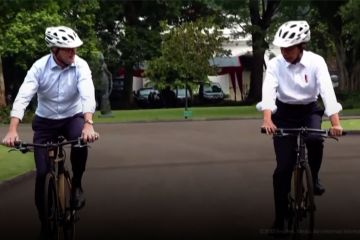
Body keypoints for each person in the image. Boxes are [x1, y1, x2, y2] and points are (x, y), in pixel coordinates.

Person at [2, 26, 99, 228]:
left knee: (80, 143)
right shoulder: (39, 68)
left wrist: (88, 124)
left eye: (75, 48)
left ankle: (77, 186)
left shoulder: (81, 66)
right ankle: (45, 222)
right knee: (41, 173)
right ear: (54, 50)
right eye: (68, 49)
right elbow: (23, 97)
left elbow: (87, 93)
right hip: (45, 122)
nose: (73, 52)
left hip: (72, 116)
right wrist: (12, 130)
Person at [256, 20, 343, 233]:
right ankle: (279, 220)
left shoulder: (317, 62)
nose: (285, 52)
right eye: (282, 48)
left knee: (315, 140)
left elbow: (327, 92)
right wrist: (268, 119)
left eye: (289, 48)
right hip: (283, 113)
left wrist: (335, 123)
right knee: (283, 169)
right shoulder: (276, 64)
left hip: (308, 110)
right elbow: (269, 91)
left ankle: (314, 175)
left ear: (301, 45)